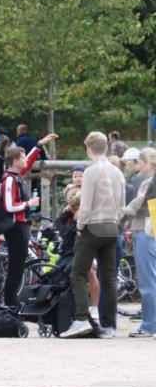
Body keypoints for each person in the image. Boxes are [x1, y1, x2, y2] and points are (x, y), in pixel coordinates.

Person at [61, 132, 125, 338]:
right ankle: (109, 325)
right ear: (106, 148)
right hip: (111, 226)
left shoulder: (90, 172)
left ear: (89, 149)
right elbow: (121, 204)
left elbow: (86, 205)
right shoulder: (117, 172)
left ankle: (81, 318)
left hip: (92, 227)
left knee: (78, 273)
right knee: (109, 277)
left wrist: (80, 227)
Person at [0, 131, 58, 306]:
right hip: (15, 227)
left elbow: (30, 161)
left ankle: (12, 300)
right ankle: (10, 302)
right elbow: (8, 206)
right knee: (15, 268)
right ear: (15, 160)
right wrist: (28, 203)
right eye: (22, 157)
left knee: (18, 266)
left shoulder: (17, 175)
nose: (25, 160)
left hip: (22, 226)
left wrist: (39, 145)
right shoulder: (9, 180)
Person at [120, 147, 156, 338]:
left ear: (148, 164)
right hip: (149, 231)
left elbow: (137, 206)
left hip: (145, 231)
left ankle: (150, 325)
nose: (138, 165)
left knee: (147, 280)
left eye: (140, 162)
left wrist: (120, 211)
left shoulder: (147, 183)